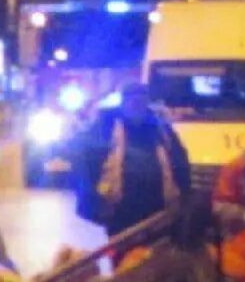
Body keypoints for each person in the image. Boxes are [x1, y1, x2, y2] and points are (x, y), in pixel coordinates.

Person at [74, 81, 193, 234]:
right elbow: (87, 163)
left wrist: (184, 195)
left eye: (141, 100)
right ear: (123, 102)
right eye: (132, 100)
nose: (136, 104)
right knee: (122, 252)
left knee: (152, 253)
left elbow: (179, 161)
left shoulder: (160, 128)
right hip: (120, 208)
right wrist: (93, 199)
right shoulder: (105, 127)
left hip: (156, 206)